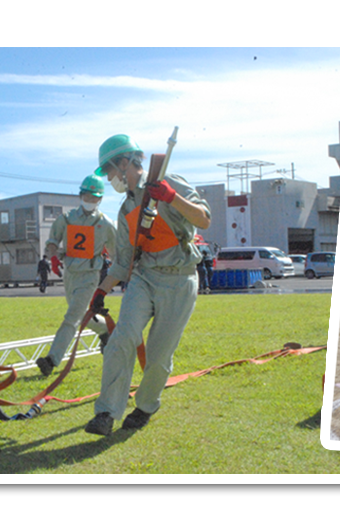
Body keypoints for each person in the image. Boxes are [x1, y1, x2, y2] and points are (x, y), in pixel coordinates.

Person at [85, 134, 212, 436]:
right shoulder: (125, 209)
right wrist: (101, 290)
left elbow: (204, 219)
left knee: (158, 356)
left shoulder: (169, 182)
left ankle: (145, 405)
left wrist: (171, 197)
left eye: (110, 171)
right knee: (121, 339)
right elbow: (123, 261)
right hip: (143, 277)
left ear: (125, 163)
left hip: (180, 280)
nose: (109, 178)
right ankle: (106, 412)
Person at [38, 175, 118, 376]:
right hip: (70, 274)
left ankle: (52, 359)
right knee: (80, 315)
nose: (90, 201)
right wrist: (52, 256)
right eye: (87, 196)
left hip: (90, 275)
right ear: (80, 195)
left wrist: (121, 272)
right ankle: (104, 331)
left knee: (71, 317)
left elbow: (117, 252)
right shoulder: (66, 219)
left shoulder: (106, 224)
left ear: (100, 199)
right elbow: (53, 240)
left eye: (94, 198)